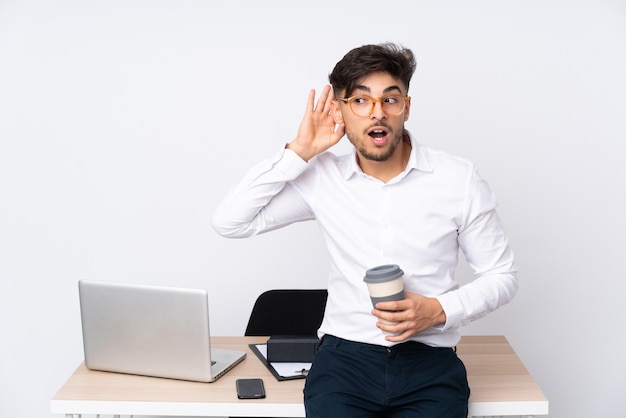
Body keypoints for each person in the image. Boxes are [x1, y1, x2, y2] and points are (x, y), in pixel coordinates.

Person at [212, 43, 518, 417]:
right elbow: (231, 221)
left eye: (390, 100)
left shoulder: (458, 179)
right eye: (360, 101)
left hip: (430, 363)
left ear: (406, 106)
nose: (377, 113)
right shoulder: (322, 177)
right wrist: (299, 151)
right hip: (344, 363)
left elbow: (501, 275)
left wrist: (439, 309)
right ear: (340, 109)